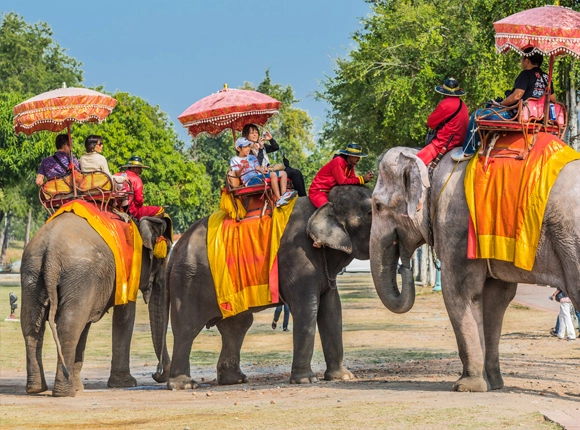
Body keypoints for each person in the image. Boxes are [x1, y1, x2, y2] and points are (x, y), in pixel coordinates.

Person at [453, 47, 558, 161]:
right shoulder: (546, 78)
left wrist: (500, 104)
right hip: (538, 117)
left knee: (478, 114)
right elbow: (552, 99)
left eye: (522, 59)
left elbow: (517, 96)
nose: (521, 62)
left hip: (517, 114)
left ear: (527, 60)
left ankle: (468, 151)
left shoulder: (525, 74)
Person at [242, 123, 307, 197]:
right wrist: (260, 149)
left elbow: (275, 147)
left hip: (270, 169)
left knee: (296, 172)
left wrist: (270, 139)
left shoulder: (261, 145)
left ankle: (303, 197)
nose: (255, 135)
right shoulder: (247, 149)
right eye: (252, 133)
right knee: (293, 173)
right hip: (260, 173)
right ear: (246, 135)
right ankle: (297, 197)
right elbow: (257, 164)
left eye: (256, 132)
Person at [416, 77, 469, 166]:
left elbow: (431, 123)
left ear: (444, 93)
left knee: (417, 162)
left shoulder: (445, 104)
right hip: (462, 141)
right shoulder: (462, 104)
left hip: (447, 141)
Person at [230, 137, 295, 208]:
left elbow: (258, 168)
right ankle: (279, 200)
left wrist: (263, 171)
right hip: (249, 181)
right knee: (273, 175)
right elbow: (237, 175)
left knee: (283, 173)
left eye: (249, 146)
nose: (248, 148)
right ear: (238, 149)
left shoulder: (252, 157)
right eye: (245, 147)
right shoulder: (234, 160)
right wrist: (242, 167)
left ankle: (283, 195)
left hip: (258, 176)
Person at [308, 143, 374, 209]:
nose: (359, 158)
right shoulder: (338, 161)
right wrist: (362, 179)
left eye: (359, 156)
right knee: (328, 210)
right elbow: (342, 181)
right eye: (356, 156)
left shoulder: (350, 165)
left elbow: (353, 180)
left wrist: (365, 180)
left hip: (332, 192)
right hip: (319, 192)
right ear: (349, 155)